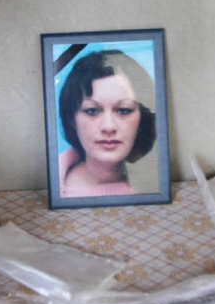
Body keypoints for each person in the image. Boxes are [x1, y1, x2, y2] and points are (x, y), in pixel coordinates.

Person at [58, 49, 157, 198]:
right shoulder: (55, 188)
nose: (108, 127)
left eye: (123, 110)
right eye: (92, 111)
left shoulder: (155, 185)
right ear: (72, 120)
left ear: (142, 118)